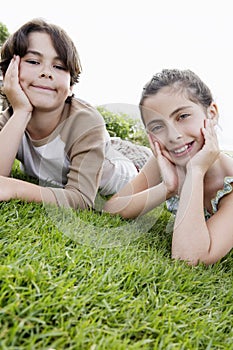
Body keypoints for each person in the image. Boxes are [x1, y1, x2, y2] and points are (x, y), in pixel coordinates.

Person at [0, 18, 151, 210]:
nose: (46, 72)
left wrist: (15, 188)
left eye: (59, 66)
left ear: (71, 86)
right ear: (8, 72)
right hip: (84, 153)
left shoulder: (84, 121)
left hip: (128, 167)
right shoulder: (10, 119)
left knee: (142, 161)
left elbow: (81, 199)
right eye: (33, 61)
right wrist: (21, 111)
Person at [104, 69, 233, 266]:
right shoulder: (169, 158)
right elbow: (112, 207)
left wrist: (196, 171)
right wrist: (167, 188)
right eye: (157, 127)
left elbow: (189, 258)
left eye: (182, 116)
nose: (173, 136)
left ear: (211, 113)